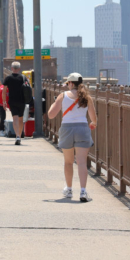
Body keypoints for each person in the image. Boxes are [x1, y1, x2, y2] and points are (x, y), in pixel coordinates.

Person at [47, 72, 97, 202]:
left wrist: (53, 104)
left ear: (70, 83)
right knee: (81, 162)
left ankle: (69, 189)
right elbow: (93, 118)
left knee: (68, 162)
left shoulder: (62, 96)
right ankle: (83, 192)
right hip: (82, 128)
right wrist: (93, 123)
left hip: (67, 128)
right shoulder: (87, 97)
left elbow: (51, 115)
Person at [3, 62, 29, 145]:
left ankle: (17, 135)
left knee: (15, 118)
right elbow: (28, 89)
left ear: (12, 68)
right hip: (22, 101)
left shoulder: (8, 78)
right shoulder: (23, 77)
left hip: (12, 100)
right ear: (19, 69)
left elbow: (4, 91)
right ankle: (20, 136)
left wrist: (4, 102)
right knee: (21, 118)